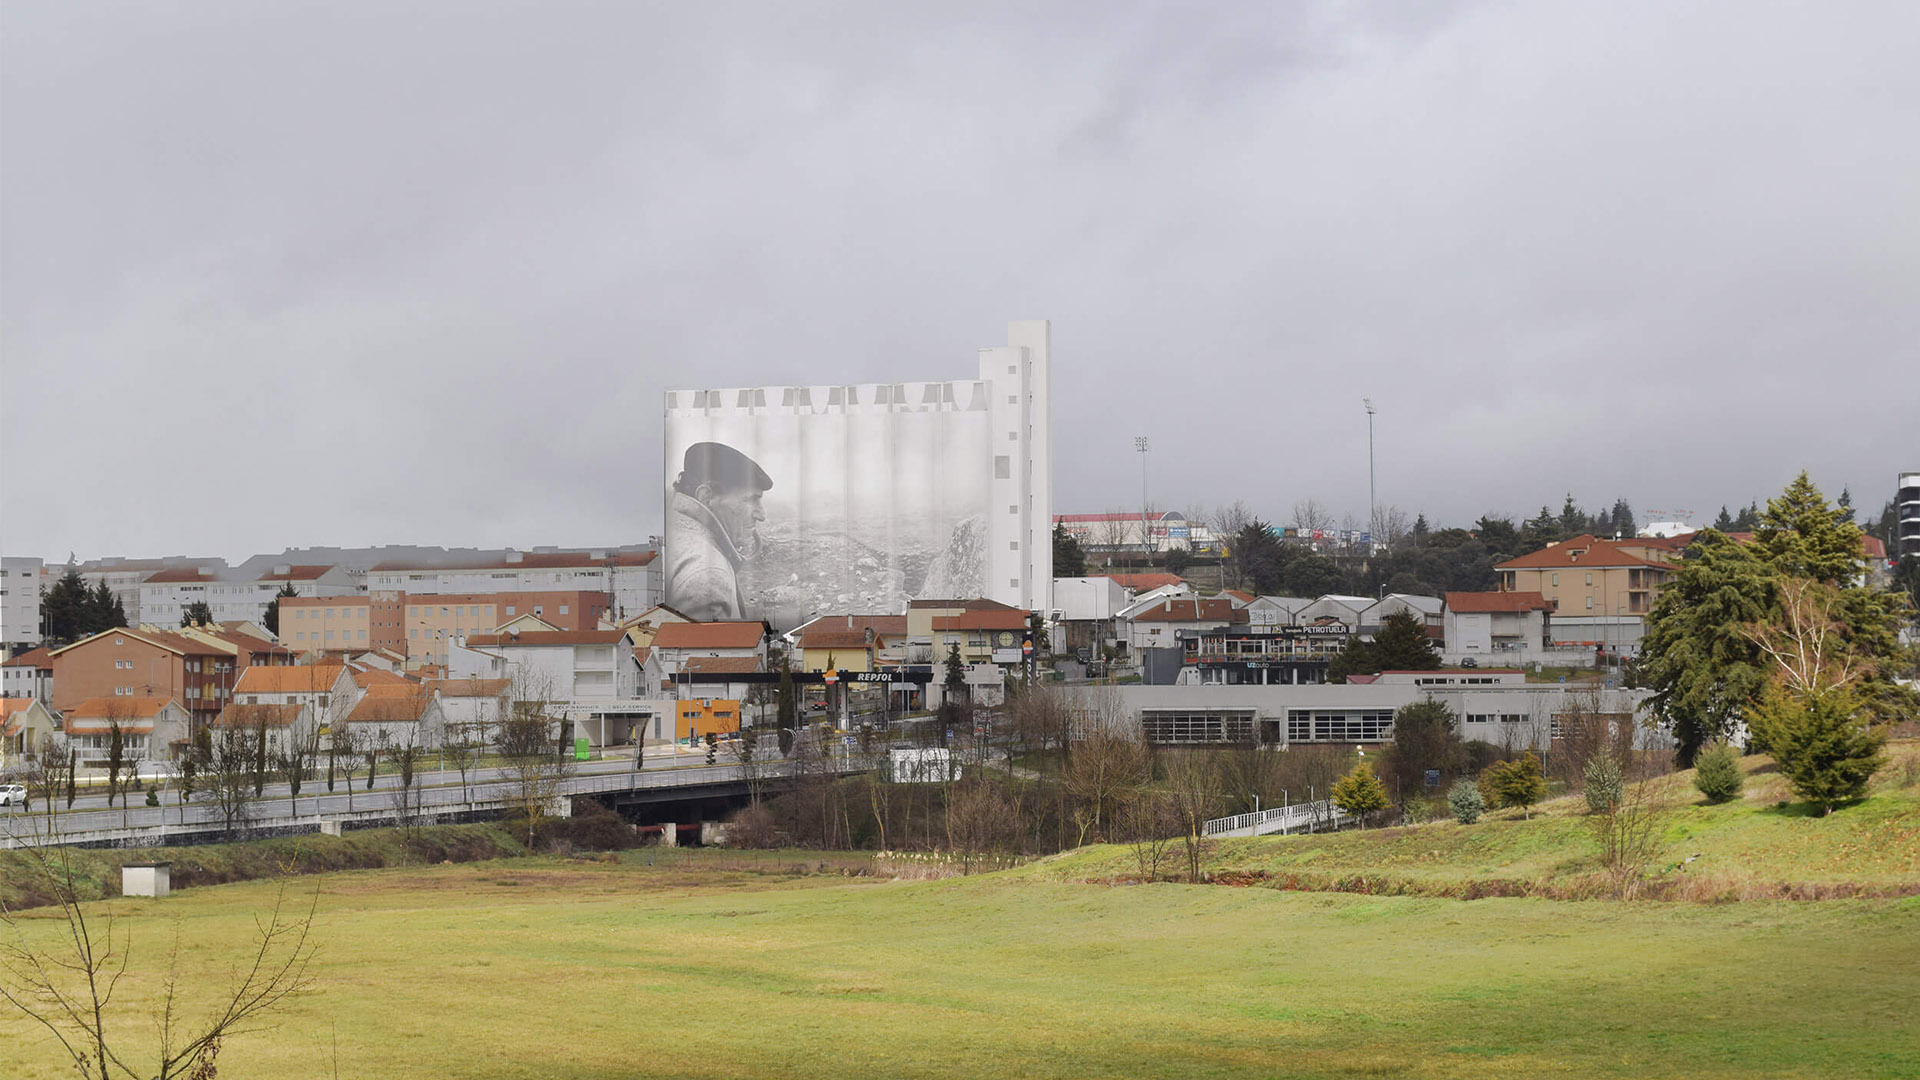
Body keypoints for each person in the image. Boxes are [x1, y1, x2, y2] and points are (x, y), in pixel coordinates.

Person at [665, 441, 771, 621]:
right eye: (752, 499)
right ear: (707, 496)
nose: (762, 515)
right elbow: (710, 649)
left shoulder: (673, 531)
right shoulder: (709, 577)